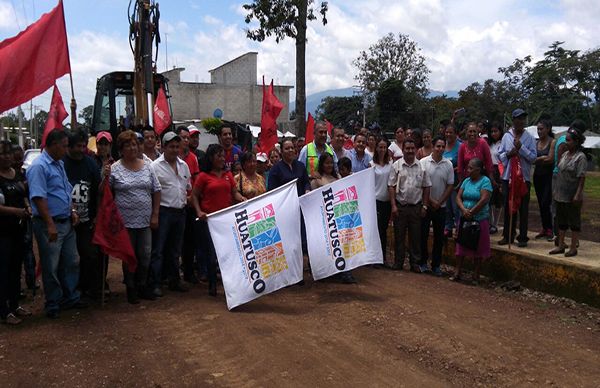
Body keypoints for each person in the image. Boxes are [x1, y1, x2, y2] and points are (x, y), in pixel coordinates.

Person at [27, 129, 85, 319]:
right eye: (64, 145)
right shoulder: (39, 166)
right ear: (53, 144)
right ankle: (53, 302)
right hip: (49, 223)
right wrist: (50, 224)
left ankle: (70, 296)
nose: (66, 149)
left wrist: (72, 211)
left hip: (66, 221)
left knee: (72, 260)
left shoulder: (58, 164)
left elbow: (64, 190)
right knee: (51, 265)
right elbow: (38, 197)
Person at [109, 130, 161, 304]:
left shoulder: (147, 166)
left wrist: (155, 214)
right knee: (129, 255)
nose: (132, 148)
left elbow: (157, 190)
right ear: (121, 149)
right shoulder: (114, 168)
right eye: (127, 145)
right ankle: (130, 287)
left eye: (134, 144)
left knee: (145, 254)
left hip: (146, 220)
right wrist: (104, 177)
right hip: (125, 221)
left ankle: (142, 285)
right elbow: (106, 194)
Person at [192, 144, 247, 296]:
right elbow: (195, 196)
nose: (223, 159)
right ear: (211, 158)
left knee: (229, 253)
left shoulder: (228, 175)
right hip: (210, 220)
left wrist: (241, 198)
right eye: (219, 156)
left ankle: (230, 283)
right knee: (211, 254)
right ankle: (212, 284)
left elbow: (234, 192)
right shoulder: (203, 176)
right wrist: (199, 211)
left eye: (223, 156)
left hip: (226, 220)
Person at [149, 132, 191, 296]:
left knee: (175, 250)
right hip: (163, 212)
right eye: (171, 146)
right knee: (158, 250)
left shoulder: (184, 165)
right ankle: (156, 283)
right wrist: (155, 214)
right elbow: (152, 192)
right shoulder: (154, 166)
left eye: (176, 146)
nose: (174, 150)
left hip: (180, 212)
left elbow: (187, 187)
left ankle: (174, 280)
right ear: (164, 147)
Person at [63, 130, 103, 300]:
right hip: (65, 220)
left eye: (83, 146)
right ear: (69, 146)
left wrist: (97, 215)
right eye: (77, 146)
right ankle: (69, 291)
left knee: (89, 254)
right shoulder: (62, 164)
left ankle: (86, 288)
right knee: (68, 259)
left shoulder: (91, 164)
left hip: (86, 219)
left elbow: (98, 191)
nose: (81, 149)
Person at [0, 141, 32, 324]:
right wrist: (16, 212)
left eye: (8, 153)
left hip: (19, 229)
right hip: (2, 232)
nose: (5, 157)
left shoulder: (18, 174)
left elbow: (24, 195)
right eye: (2, 153)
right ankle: (4, 311)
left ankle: (14, 304)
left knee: (15, 269)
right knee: (3, 270)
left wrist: (27, 207)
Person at [388, 139, 431, 272]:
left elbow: (426, 187)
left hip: (416, 207)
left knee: (416, 237)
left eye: (412, 148)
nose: (410, 151)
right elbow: (391, 186)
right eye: (407, 148)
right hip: (400, 207)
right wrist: (393, 205)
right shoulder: (396, 166)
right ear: (403, 150)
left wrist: (424, 206)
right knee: (399, 236)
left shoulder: (422, 167)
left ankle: (415, 263)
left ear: (416, 149)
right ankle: (398, 262)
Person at [498, 109, 537, 247]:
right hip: (508, 177)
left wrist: (522, 149)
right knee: (509, 207)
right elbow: (500, 156)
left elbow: (533, 158)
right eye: (518, 119)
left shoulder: (530, 138)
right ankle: (508, 235)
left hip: (524, 178)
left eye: (523, 119)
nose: (520, 121)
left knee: (523, 208)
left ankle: (523, 237)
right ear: (513, 120)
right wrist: (509, 154)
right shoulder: (506, 136)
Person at [452, 158, 493, 284]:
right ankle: (457, 272)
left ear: (478, 170)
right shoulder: (466, 181)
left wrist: (472, 211)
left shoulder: (485, 181)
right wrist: (464, 210)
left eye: (470, 168)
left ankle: (476, 275)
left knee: (478, 247)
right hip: (464, 218)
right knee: (460, 246)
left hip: (479, 219)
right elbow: (458, 197)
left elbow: (484, 199)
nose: (467, 170)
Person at [550, 126, 587, 257]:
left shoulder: (580, 157)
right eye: (566, 139)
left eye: (569, 140)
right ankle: (560, 245)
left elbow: (581, 177)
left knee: (574, 221)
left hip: (572, 194)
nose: (567, 142)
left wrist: (578, 194)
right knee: (562, 221)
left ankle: (573, 247)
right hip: (560, 193)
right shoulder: (565, 155)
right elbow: (559, 170)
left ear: (576, 142)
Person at [420, 136, 454, 276]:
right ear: (433, 146)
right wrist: (431, 201)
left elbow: (450, 185)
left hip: (441, 206)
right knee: (423, 235)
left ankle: (436, 265)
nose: (440, 149)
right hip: (426, 205)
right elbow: (421, 184)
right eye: (437, 146)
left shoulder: (448, 164)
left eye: (442, 146)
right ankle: (422, 262)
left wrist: (440, 202)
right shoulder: (423, 162)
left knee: (439, 238)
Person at [175, 125, 201, 284]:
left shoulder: (192, 158)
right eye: (183, 137)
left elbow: (196, 179)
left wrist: (193, 197)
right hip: (175, 204)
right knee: (175, 242)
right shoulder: (172, 156)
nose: (186, 140)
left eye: (187, 137)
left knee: (190, 240)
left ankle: (189, 271)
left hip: (190, 204)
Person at [370, 137, 392, 267]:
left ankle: (382, 257)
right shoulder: (371, 165)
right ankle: (374, 258)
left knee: (383, 230)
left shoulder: (391, 165)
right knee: (376, 230)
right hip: (375, 201)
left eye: (385, 147)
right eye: (380, 147)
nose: (382, 149)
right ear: (376, 148)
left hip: (387, 201)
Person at [533, 119, 555, 240]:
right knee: (540, 203)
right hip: (537, 176)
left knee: (546, 202)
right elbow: (531, 156)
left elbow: (551, 159)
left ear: (548, 129)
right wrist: (542, 158)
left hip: (548, 176)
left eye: (541, 129)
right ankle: (544, 227)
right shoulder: (536, 143)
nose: (539, 131)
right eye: (538, 129)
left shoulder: (552, 142)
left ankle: (550, 228)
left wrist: (538, 159)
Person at [443, 124, 462, 237]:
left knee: (456, 206)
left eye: (451, 132)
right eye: (447, 132)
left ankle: (458, 227)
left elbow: (462, 164)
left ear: (456, 134)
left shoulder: (460, 147)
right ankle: (448, 227)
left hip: (455, 182)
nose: (448, 134)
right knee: (447, 206)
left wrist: (450, 169)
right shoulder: (442, 146)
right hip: (444, 182)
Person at [488, 123, 504, 234]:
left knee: (499, 199)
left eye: (496, 131)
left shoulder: (503, 143)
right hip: (490, 170)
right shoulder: (488, 144)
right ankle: (490, 222)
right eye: (492, 131)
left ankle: (495, 223)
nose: (494, 134)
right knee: (490, 199)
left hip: (501, 169)